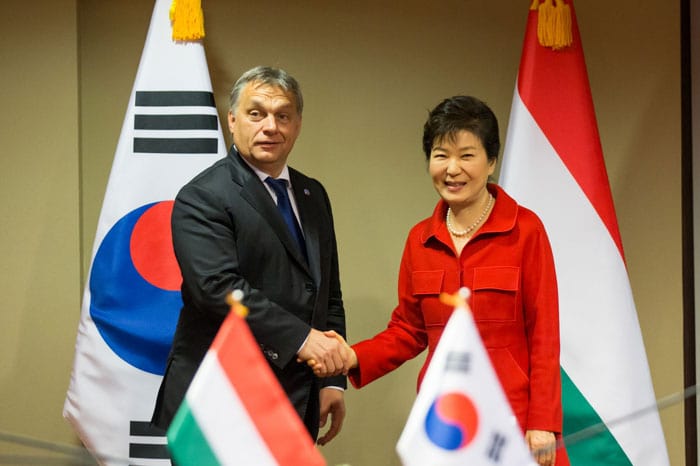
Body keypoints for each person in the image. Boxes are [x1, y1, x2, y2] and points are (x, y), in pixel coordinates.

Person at [315, 95, 568, 465]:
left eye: (467, 155)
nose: (452, 169)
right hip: (447, 425)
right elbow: (408, 330)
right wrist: (353, 356)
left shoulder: (526, 230)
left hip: (514, 422)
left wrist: (543, 422)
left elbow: (544, 334)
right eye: (440, 155)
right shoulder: (420, 239)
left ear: (491, 161)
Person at [152, 66, 350, 445]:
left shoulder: (313, 194)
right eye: (256, 113)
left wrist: (331, 379)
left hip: (297, 397)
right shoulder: (203, 195)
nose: (271, 126)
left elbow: (327, 293)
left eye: (283, 115)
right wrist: (303, 339)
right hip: (221, 401)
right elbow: (217, 288)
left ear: (297, 124)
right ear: (232, 120)